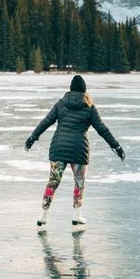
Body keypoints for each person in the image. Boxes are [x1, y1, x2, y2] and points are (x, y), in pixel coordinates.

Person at [25, 75, 125, 229]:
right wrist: (116, 146)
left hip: (59, 148)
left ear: (70, 89)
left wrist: (33, 137)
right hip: (79, 150)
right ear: (84, 90)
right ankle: (76, 215)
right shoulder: (89, 106)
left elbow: (46, 121)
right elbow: (102, 129)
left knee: (53, 181)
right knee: (79, 182)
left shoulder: (61, 104)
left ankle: (42, 216)